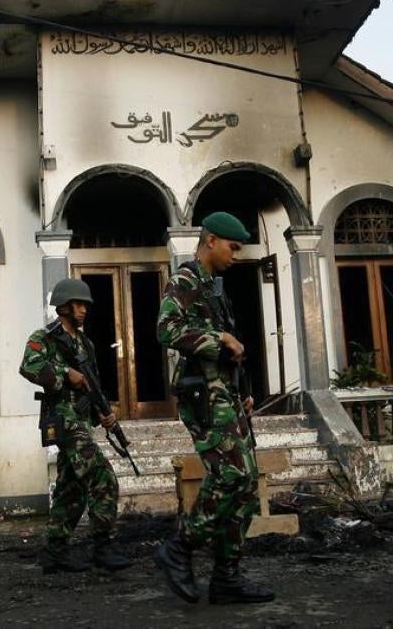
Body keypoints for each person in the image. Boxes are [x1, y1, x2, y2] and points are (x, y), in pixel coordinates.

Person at [153, 211, 273, 605]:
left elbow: (233, 351)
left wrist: (246, 390)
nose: (236, 255)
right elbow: (166, 329)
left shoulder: (214, 289)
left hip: (227, 395)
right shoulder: (186, 279)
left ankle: (227, 576)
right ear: (210, 241)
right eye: (232, 247)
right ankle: (180, 548)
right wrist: (218, 337)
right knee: (229, 477)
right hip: (204, 398)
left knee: (244, 482)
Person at [19, 278, 131, 574]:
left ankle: (55, 552)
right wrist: (63, 372)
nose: (84, 310)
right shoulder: (44, 337)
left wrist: (103, 414)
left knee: (72, 487)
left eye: (85, 305)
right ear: (64, 306)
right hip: (62, 418)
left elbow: (91, 384)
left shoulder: (85, 344)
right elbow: (28, 366)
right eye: (78, 305)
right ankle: (101, 546)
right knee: (103, 477)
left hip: (80, 418)